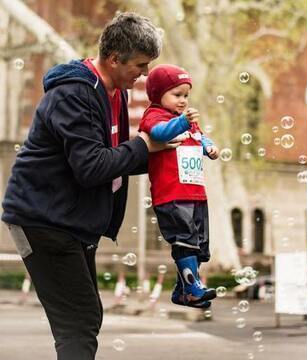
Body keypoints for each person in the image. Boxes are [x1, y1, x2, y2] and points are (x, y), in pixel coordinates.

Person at [1, 12, 176, 360]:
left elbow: (114, 158)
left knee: (85, 316)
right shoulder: (75, 94)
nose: (144, 74)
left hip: (71, 221)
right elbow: (92, 166)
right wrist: (144, 143)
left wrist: (171, 152)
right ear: (114, 58)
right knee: (79, 321)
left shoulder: (115, 93)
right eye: (140, 65)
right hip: (44, 220)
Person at [139, 64, 220, 308]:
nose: (183, 100)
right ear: (157, 94)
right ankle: (192, 289)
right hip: (172, 194)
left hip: (195, 192)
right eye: (177, 95)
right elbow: (160, 133)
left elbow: (199, 136)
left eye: (186, 95)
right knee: (184, 239)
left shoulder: (186, 121)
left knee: (199, 245)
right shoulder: (154, 116)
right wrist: (184, 123)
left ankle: (184, 291)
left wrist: (209, 146)